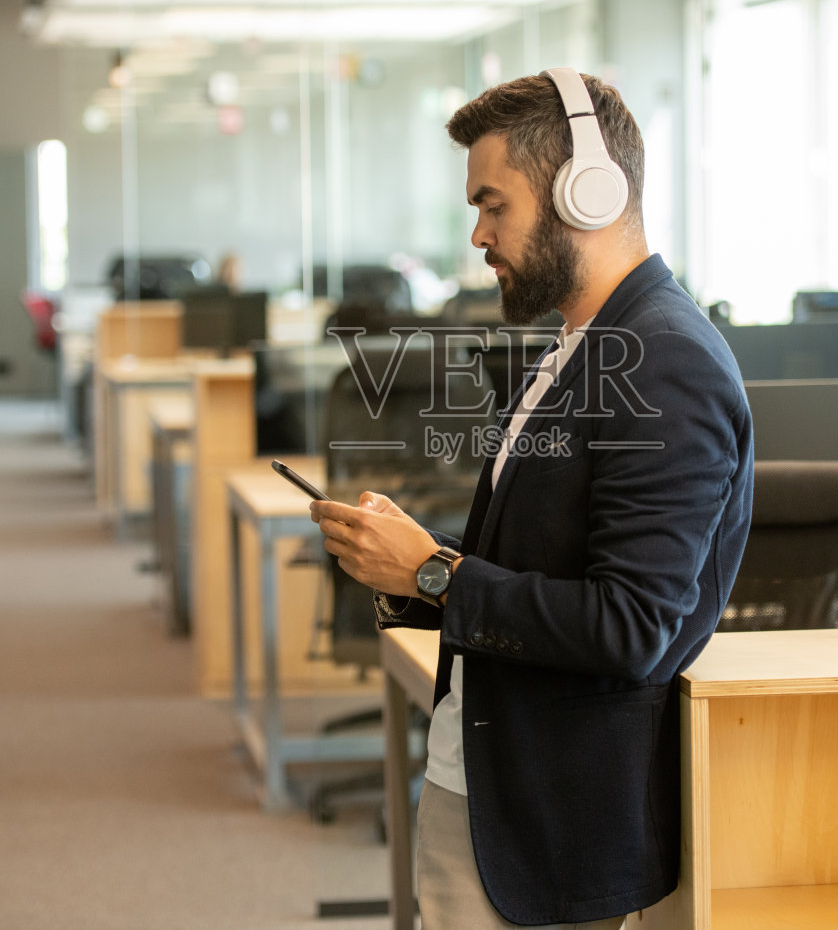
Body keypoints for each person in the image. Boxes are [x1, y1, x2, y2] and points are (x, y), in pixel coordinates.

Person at [310, 69, 753, 928]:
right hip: (494, 775)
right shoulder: (582, 343)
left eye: (492, 204)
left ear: (586, 192)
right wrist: (414, 560)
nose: (477, 233)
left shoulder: (664, 361)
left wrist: (438, 574)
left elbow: (630, 625)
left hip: (547, 814)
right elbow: (546, 557)